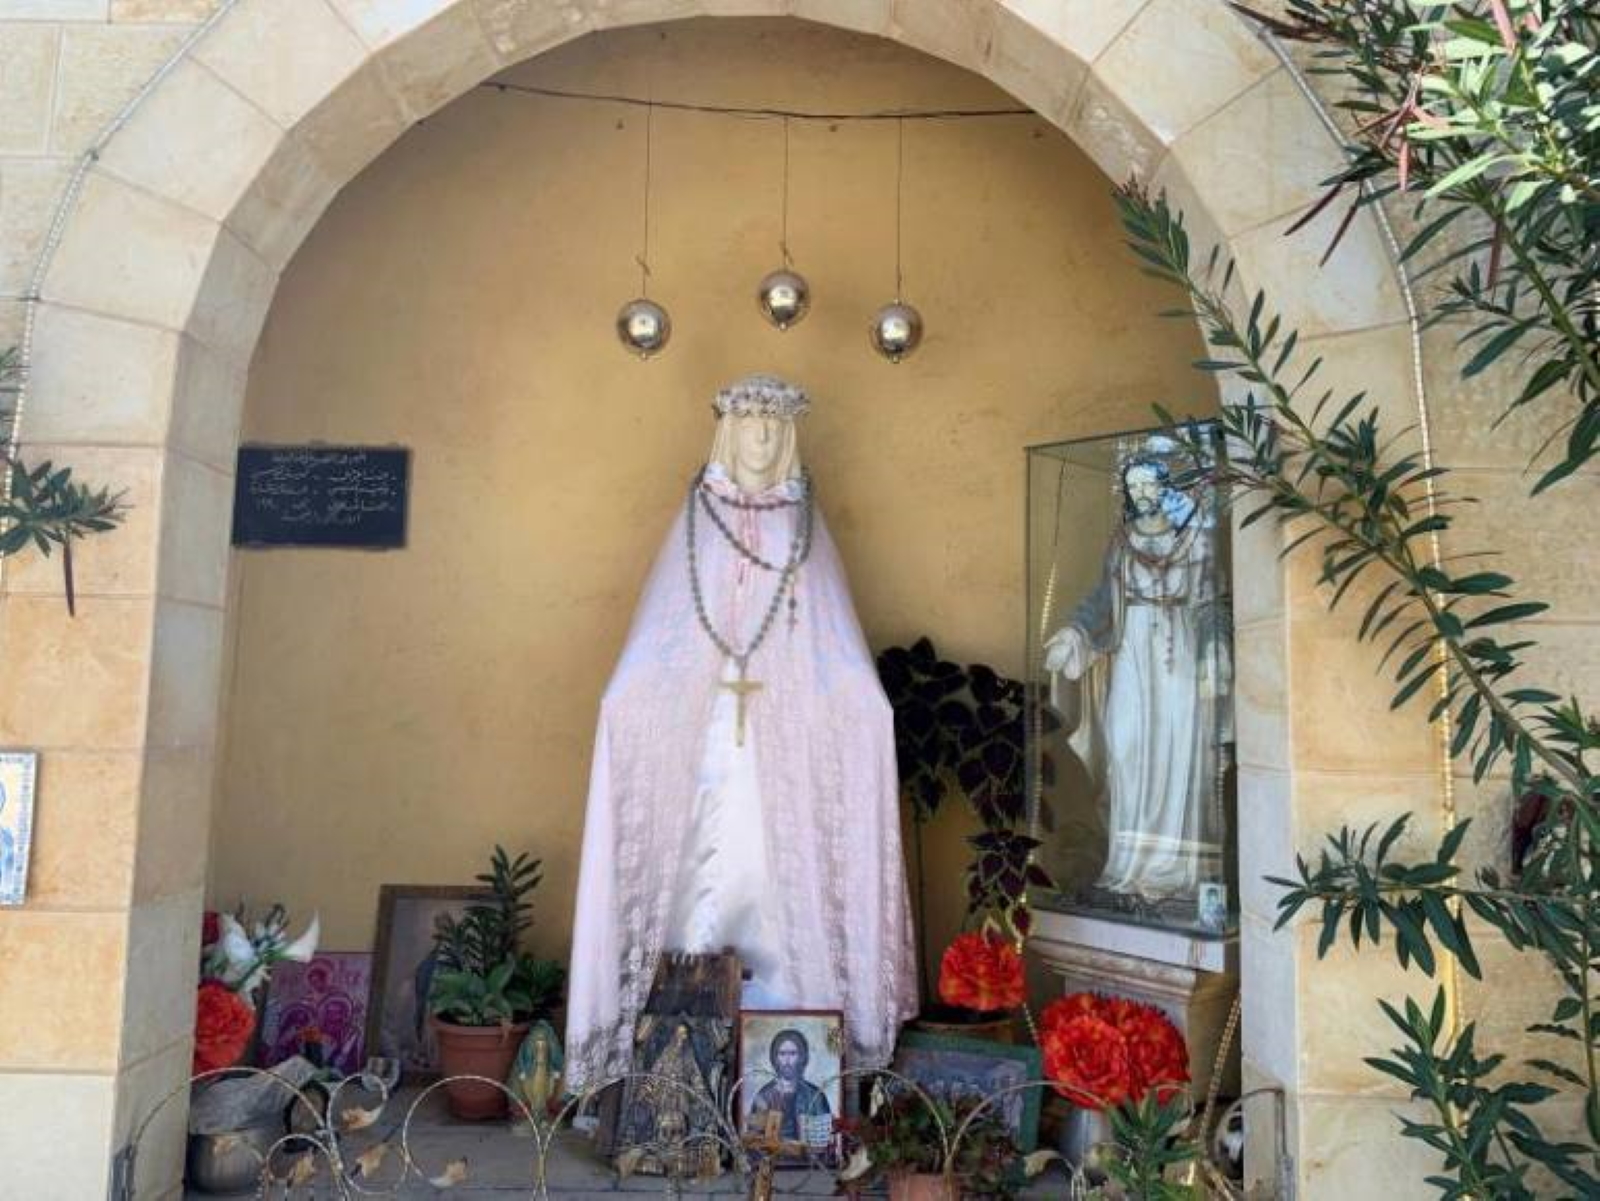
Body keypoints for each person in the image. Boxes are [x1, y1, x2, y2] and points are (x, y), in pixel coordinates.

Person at [564, 375, 917, 1093]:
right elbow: (662, 636)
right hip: (706, 734)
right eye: (748, 423)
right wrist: (627, 698)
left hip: (781, 742)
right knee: (696, 863)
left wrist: (863, 706)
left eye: (770, 426)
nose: (759, 437)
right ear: (728, 430)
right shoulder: (698, 518)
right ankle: (676, 1057)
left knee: (780, 866)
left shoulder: (800, 524)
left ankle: (782, 1046)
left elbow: (830, 643)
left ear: (786, 437)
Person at [1044, 437, 1231, 905]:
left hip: (1181, 658)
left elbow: (1213, 604)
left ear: (1163, 486)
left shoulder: (1196, 539)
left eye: (1149, 483)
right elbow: (1101, 601)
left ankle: (1178, 875)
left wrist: (1215, 649)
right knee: (1126, 747)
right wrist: (1073, 633)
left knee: (1181, 753)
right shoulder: (1122, 543)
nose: (1143, 492)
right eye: (1134, 485)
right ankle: (1126, 865)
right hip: (1131, 657)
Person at [748, 1029, 831, 1142]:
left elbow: (826, 1138)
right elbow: (753, 1139)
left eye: (792, 1053)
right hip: (772, 1158)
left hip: (809, 1158)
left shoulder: (816, 1096)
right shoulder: (763, 1096)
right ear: (775, 1058)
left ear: (802, 1057)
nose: (787, 1061)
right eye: (782, 1054)